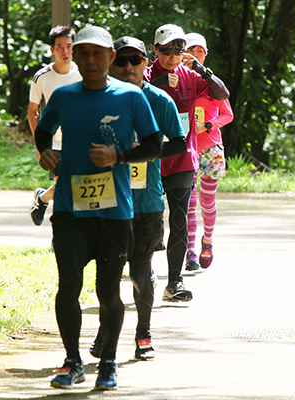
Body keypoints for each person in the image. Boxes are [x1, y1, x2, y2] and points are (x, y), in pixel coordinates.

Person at [35, 26, 163, 391]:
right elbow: (43, 132)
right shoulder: (64, 97)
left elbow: (154, 144)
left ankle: (107, 363)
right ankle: (72, 361)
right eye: (84, 53)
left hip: (114, 213)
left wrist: (119, 156)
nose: (90, 60)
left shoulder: (130, 97)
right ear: (74, 56)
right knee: (68, 287)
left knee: (108, 292)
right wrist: (46, 154)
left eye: (98, 54)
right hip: (71, 211)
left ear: (109, 57)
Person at [89, 36, 186, 361]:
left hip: (146, 203)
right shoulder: (98, 100)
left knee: (140, 272)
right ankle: (106, 332)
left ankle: (143, 333)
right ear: (112, 62)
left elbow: (179, 143)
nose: (128, 67)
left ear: (146, 63)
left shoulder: (159, 101)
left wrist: (137, 154)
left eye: (136, 61)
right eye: (122, 61)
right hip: (107, 200)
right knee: (108, 271)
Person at [144, 24, 230, 302]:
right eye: (167, 50)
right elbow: (128, 92)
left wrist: (202, 70)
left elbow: (222, 95)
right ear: (155, 50)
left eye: (178, 50)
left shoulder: (190, 75)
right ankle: (145, 273)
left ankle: (175, 283)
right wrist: (157, 84)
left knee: (179, 221)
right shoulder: (146, 74)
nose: (172, 56)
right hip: (150, 161)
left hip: (183, 159)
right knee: (149, 222)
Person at [183, 33, 234, 270]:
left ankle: (208, 241)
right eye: (190, 49)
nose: (195, 53)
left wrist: (208, 125)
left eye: (199, 50)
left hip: (211, 150)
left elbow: (228, 114)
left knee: (207, 202)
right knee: (189, 202)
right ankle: (190, 252)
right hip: (186, 148)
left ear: (205, 53)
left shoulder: (213, 83)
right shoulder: (179, 80)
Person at [28, 26, 82, 226]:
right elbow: (32, 112)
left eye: (69, 46)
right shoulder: (41, 77)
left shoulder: (83, 73)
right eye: (60, 47)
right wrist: (39, 145)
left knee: (75, 188)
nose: (65, 52)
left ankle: (43, 197)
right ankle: (59, 233)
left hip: (78, 141)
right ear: (52, 50)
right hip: (54, 143)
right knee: (66, 189)